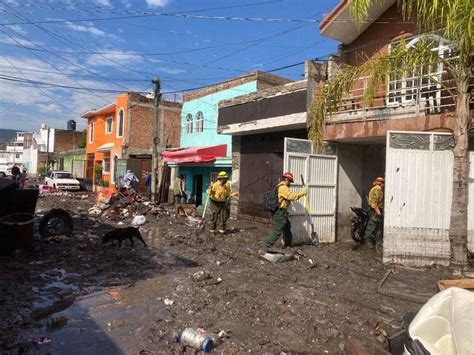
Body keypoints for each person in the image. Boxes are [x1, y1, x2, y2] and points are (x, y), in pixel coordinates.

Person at [265, 172, 307, 248]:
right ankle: (268, 244)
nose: (290, 183)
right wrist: (302, 193)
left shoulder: (280, 186)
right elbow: (292, 196)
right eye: (290, 181)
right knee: (279, 227)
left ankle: (288, 244)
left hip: (282, 211)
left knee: (287, 226)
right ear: (286, 179)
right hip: (279, 211)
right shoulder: (283, 187)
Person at [364, 177, 384, 249]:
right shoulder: (376, 189)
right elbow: (373, 203)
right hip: (374, 210)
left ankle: (377, 242)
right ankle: (368, 241)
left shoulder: (380, 190)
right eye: (382, 183)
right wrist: (378, 212)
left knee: (378, 226)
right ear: (380, 183)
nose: (383, 185)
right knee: (372, 225)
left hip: (379, 210)